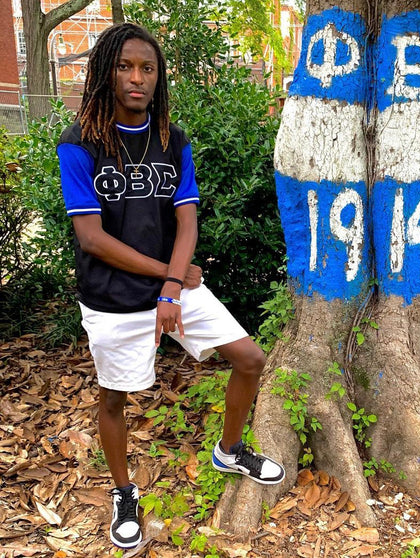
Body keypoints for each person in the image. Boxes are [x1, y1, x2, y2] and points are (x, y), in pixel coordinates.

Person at [57, 23, 284, 549]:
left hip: (173, 287)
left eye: (148, 69)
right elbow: (91, 238)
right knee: (115, 399)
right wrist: (170, 275)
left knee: (251, 359)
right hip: (113, 300)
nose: (137, 78)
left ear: (159, 78)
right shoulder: (80, 143)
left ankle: (228, 451)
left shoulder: (171, 140)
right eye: (125, 67)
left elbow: (187, 221)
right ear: (106, 72)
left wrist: (172, 287)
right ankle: (123, 493)